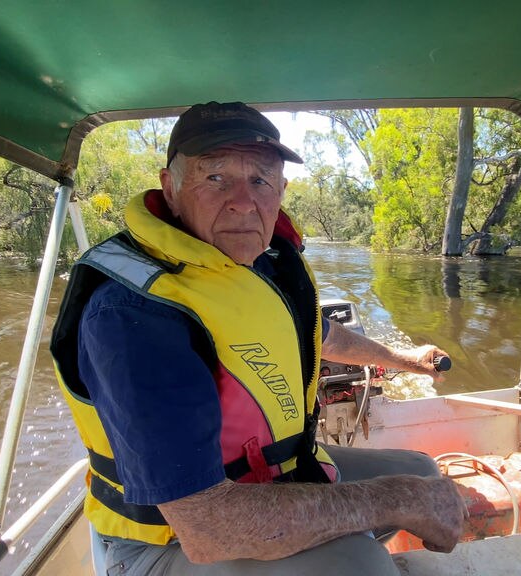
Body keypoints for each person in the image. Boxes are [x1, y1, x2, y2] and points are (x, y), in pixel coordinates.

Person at [50, 101, 466, 575]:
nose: (244, 202)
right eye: (215, 178)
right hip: (166, 541)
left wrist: (404, 359)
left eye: (261, 180)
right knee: (361, 564)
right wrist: (394, 500)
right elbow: (208, 528)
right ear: (170, 189)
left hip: (272, 478)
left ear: (281, 191)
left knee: (422, 473)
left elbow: (316, 335)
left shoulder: (260, 266)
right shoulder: (134, 313)